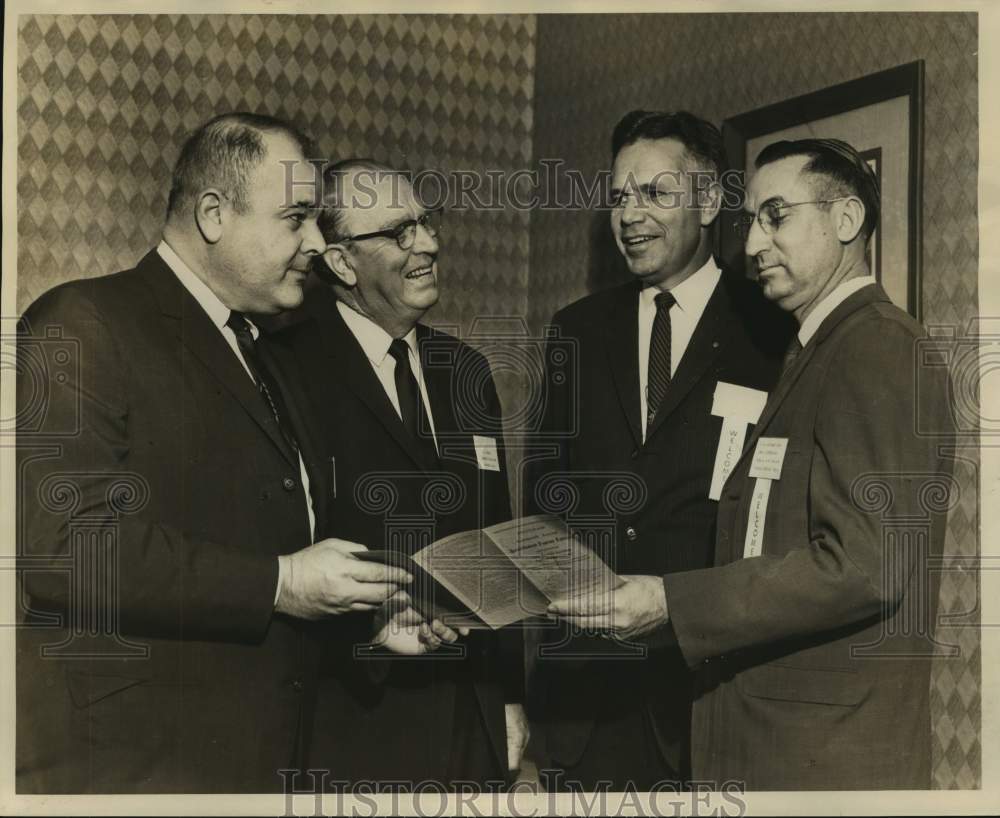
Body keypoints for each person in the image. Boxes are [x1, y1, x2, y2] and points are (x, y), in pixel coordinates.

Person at [15, 113, 415, 793]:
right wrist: (283, 584)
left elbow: (258, 540)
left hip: (259, 762)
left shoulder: (266, 350)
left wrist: (364, 631)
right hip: (132, 772)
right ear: (212, 214)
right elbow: (67, 549)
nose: (318, 244)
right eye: (296, 218)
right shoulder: (82, 323)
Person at [548, 137, 954, 789]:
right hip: (773, 738)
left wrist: (670, 599)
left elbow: (866, 566)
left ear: (846, 221)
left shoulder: (878, 346)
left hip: (827, 752)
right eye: (752, 222)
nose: (754, 244)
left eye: (777, 216)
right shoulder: (820, 346)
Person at [526, 110, 790, 791]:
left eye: (654, 194)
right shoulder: (576, 332)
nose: (629, 215)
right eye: (618, 197)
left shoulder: (771, 327)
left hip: (711, 696)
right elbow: (542, 497)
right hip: (585, 706)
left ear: (707, 201)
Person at [272, 159, 528, 789]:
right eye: (400, 232)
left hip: (471, 714)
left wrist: (510, 695)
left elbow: (496, 543)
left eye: (425, 223)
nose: (429, 244)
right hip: (352, 717)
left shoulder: (465, 370)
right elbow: (272, 556)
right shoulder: (283, 365)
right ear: (340, 263)